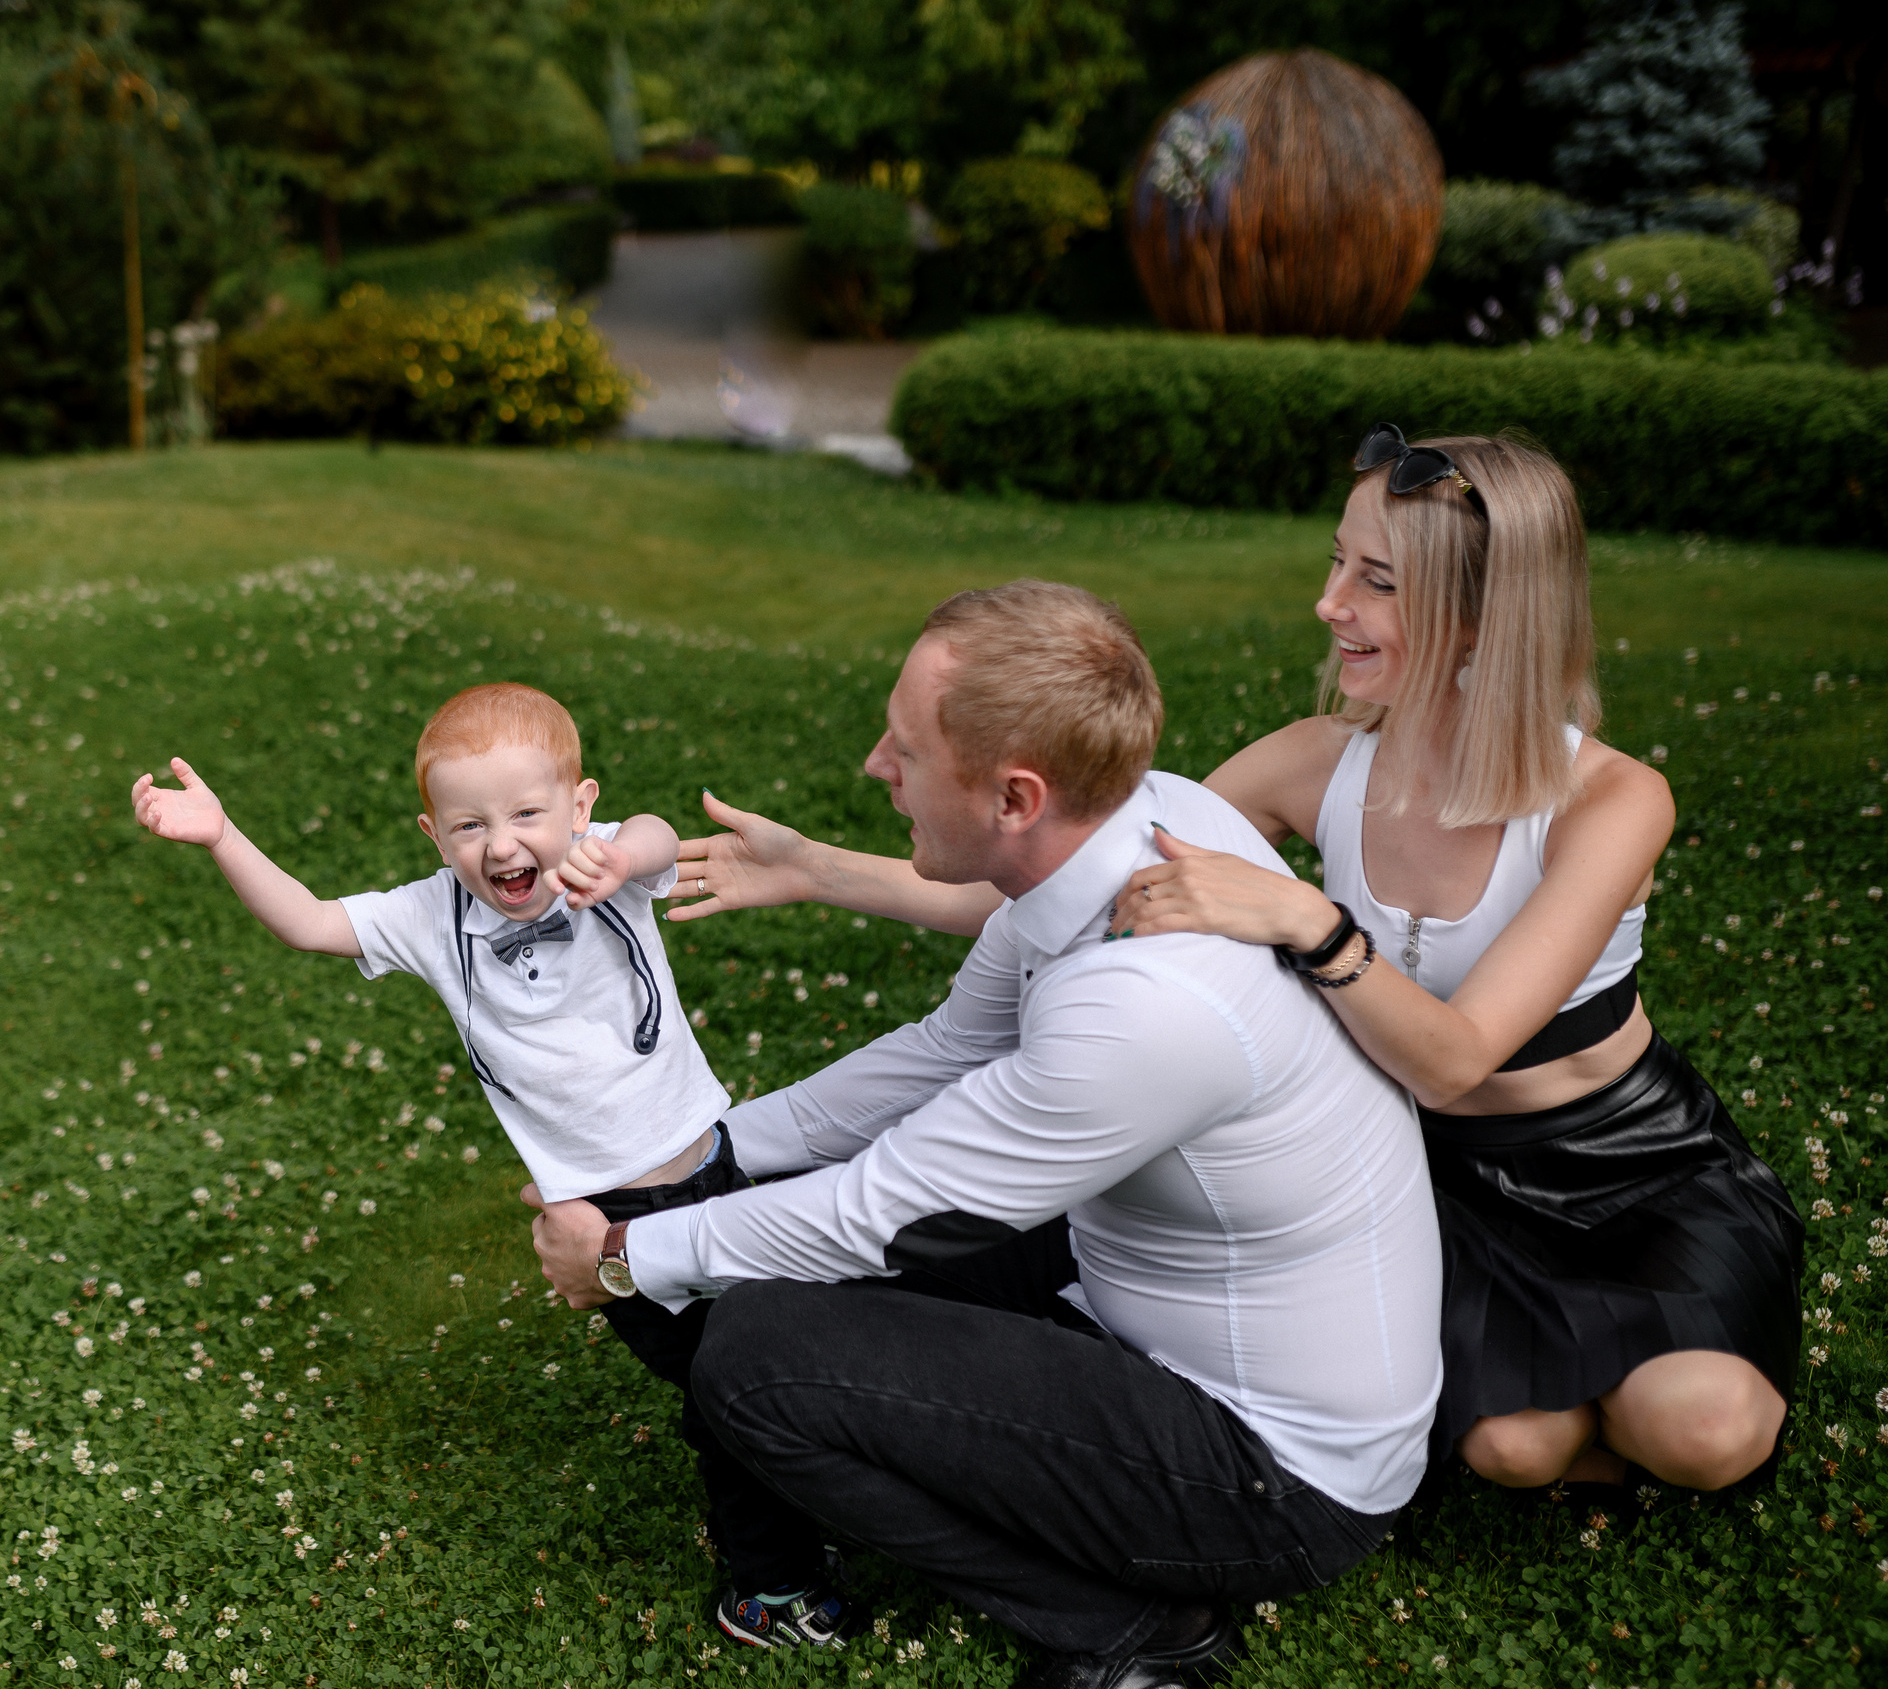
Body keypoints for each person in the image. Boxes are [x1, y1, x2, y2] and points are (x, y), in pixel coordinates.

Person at [670, 429, 1802, 1497]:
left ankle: (1642, 1364)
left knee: (1701, 1431)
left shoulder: (1611, 800)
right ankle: (1550, 1399)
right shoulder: (1319, 761)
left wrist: (1310, 923)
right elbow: (1074, 873)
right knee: (1514, 1448)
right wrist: (815, 868)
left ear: (1482, 618)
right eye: (1336, 564)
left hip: (1621, 1168)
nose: (1330, 603)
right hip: (1436, 1176)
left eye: (1377, 582)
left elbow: (1457, 1059)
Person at [528, 581, 1443, 1689]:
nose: (875, 764)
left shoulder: (1146, 1009)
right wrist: (696, 1161)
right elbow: (948, 1049)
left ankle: (1133, 1633)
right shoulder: (1143, 823)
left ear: (1015, 798)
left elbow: (877, 1214)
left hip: (1273, 1478)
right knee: (744, 1267)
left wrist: (623, 1254)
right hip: (1132, 1296)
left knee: (755, 1360)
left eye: (907, 750)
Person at [130, 682, 859, 1650]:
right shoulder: (433, 919)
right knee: (723, 1387)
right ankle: (771, 1586)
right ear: (434, 836)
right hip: (605, 1220)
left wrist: (622, 856)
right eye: (470, 825)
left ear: (578, 806)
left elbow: (655, 833)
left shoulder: (607, 865)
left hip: (716, 1161)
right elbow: (308, 921)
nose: (502, 844)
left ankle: (820, 1493)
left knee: (790, 1340)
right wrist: (222, 835)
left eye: (526, 815)